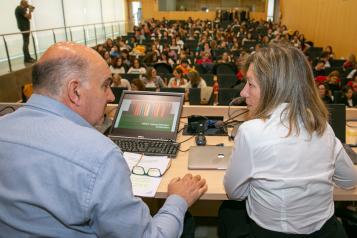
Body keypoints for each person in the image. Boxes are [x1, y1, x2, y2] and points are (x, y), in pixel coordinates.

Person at [0, 42, 207, 237]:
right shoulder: (99, 155)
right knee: (185, 221)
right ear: (75, 91)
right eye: (105, 85)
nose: (111, 97)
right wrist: (178, 200)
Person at [219, 43, 357, 237]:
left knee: (228, 210)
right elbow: (350, 180)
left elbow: (235, 193)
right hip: (326, 232)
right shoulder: (322, 126)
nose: (243, 93)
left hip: (270, 234)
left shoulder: (251, 132)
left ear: (275, 89)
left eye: (251, 84)